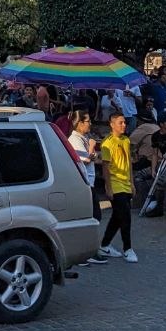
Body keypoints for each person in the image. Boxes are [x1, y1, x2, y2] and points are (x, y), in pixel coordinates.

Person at [65, 111, 107, 265]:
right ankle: (87, 251)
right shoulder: (75, 139)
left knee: (93, 216)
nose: (90, 123)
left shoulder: (84, 137)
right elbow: (87, 160)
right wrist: (91, 147)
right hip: (84, 183)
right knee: (92, 217)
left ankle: (90, 249)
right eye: (87, 121)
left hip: (89, 182)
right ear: (80, 123)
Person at [97, 111, 138, 263]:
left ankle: (104, 244)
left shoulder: (126, 140)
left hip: (126, 183)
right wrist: (108, 187)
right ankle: (128, 248)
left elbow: (129, 164)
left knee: (117, 217)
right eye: (120, 123)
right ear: (112, 124)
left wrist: (132, 182)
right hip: (115, 184)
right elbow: (105, 168)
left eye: (124, 122)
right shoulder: (107, 143)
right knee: (125, 216)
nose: (123, 125)